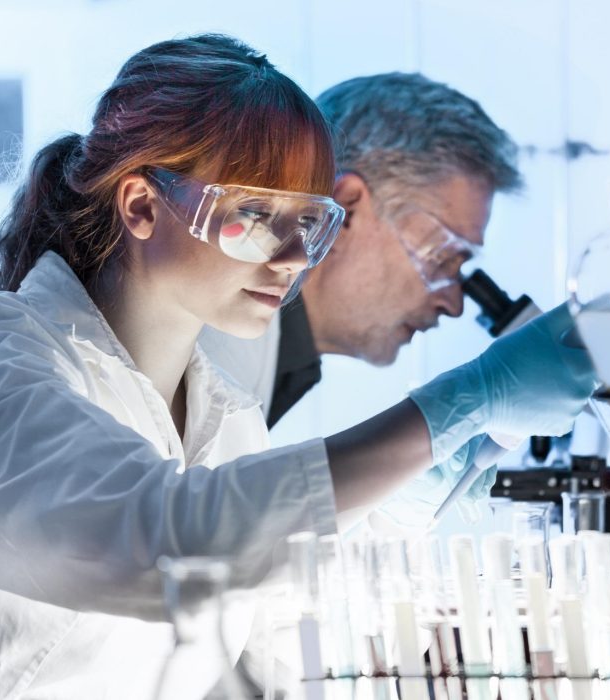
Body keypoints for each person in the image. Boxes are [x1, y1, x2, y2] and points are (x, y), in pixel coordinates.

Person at [0, 35, 592, 699]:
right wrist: (455, 404)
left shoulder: (226, 415)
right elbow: (169, 545)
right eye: (254, 213)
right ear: (142, 206)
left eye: (309, 221)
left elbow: (261, 633)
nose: (291, 257)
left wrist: (393, 513)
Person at [198, 72, 527, 525]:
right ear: (345, 210)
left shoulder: (276, 353)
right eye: (443, 258)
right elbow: (198, 538)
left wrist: (379, 502)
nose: (453, 303)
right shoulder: (215, 337)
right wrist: (447, 415)